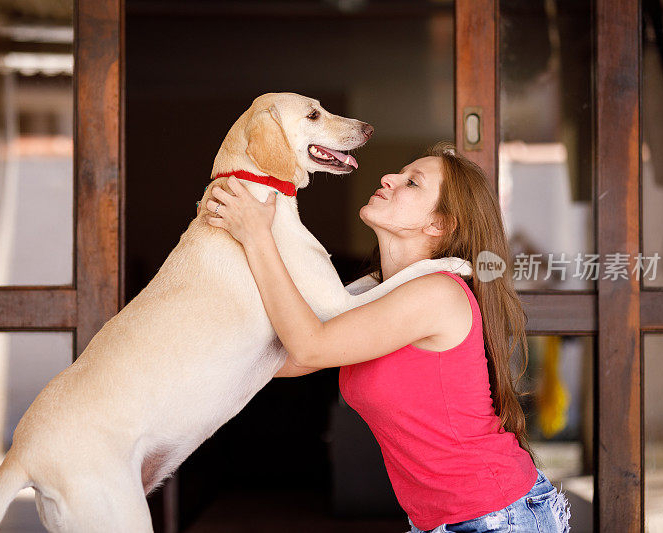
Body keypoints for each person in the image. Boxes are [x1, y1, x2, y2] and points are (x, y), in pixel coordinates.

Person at [203, 141, 571, 533]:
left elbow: (309, 344)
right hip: (442, 520)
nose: (388, 177)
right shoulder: (373, 294)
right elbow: (291, 358)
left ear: (439, 225)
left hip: (497, 515)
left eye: (412, 182)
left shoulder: (437, 293)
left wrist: (258, 236)